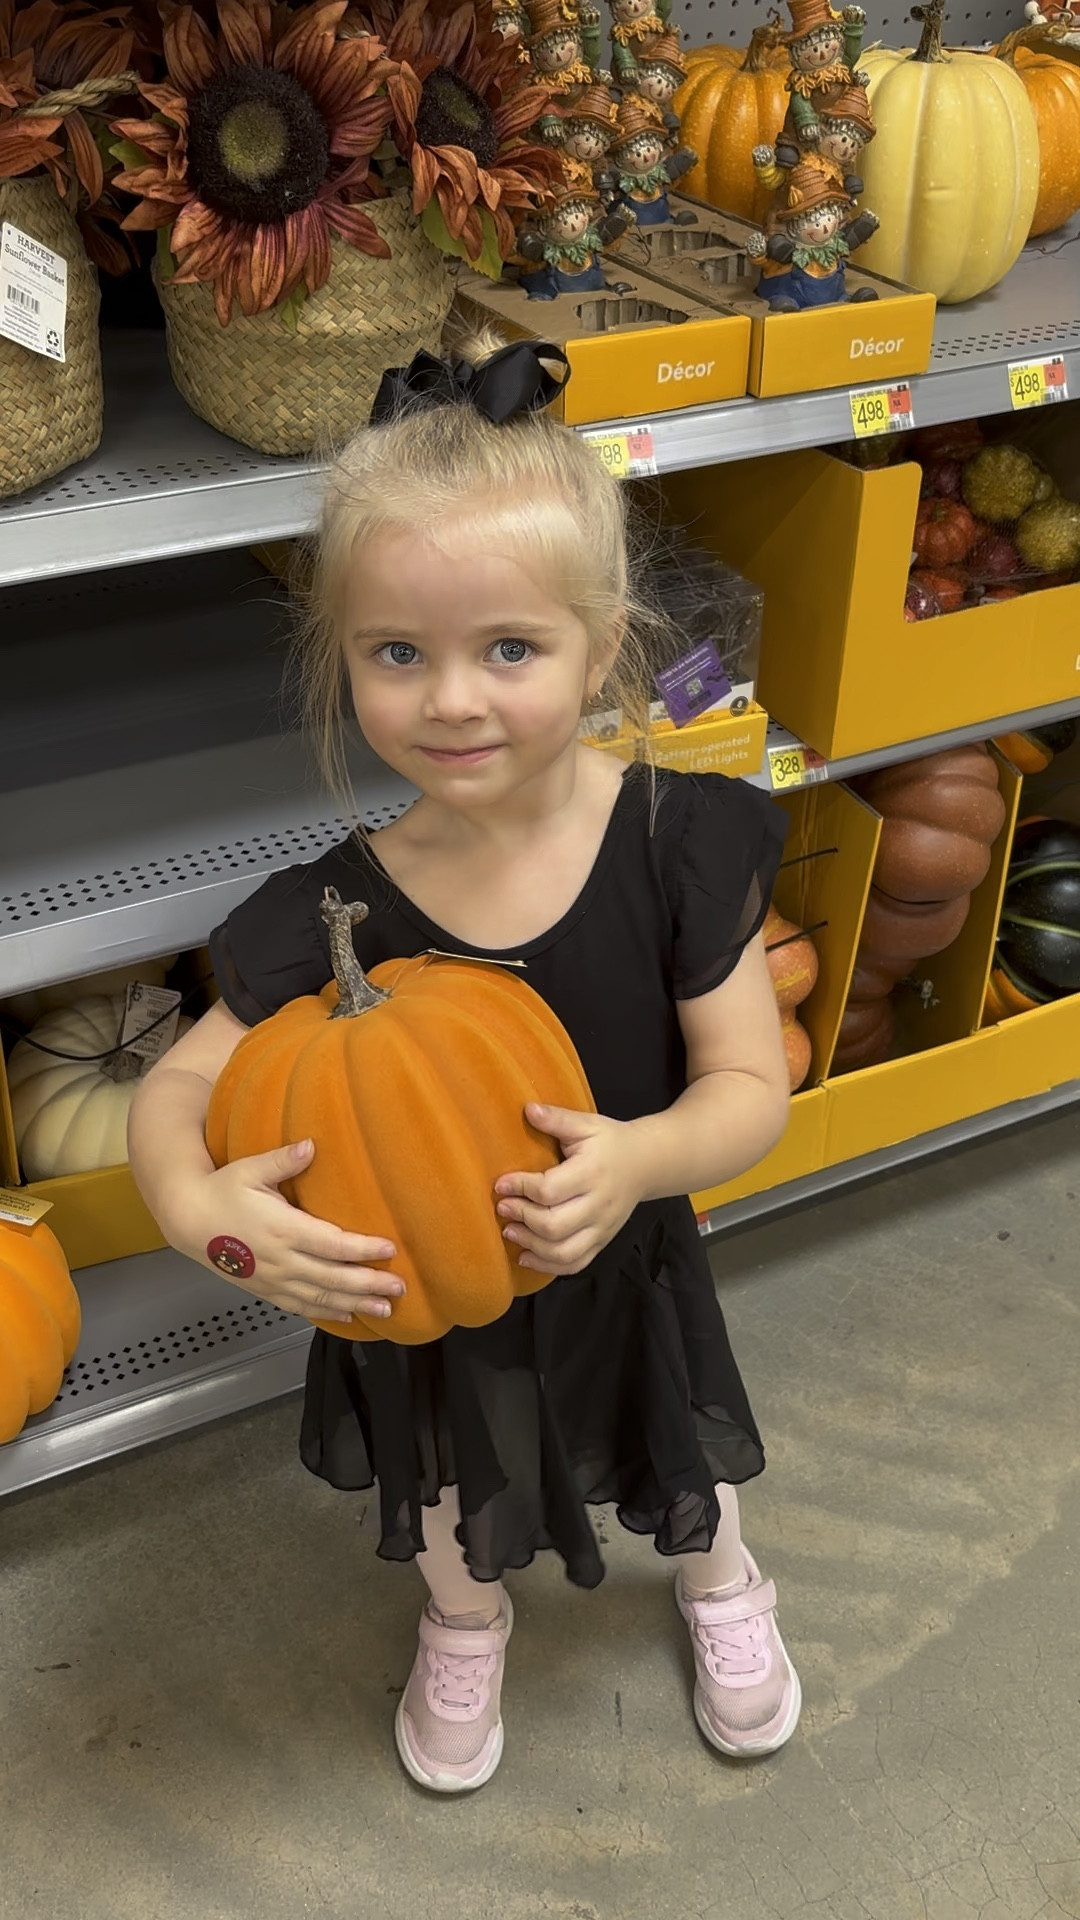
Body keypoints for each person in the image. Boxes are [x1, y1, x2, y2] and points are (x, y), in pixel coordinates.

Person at [127, 330, 799, 1797]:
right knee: (446, 1485)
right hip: (419, 1287)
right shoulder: (339, 905)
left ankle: (718, 1581)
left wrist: (641, 1159)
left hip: (618, 1250)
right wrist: (215, 1221)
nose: (452, 700)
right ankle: (463, 1615)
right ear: (343, 659)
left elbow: (754, 1084)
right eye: (396, 654)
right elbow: (173, 1094)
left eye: (510, 649)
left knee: (678, 1446)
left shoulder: (675, 843)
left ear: (601, 645)